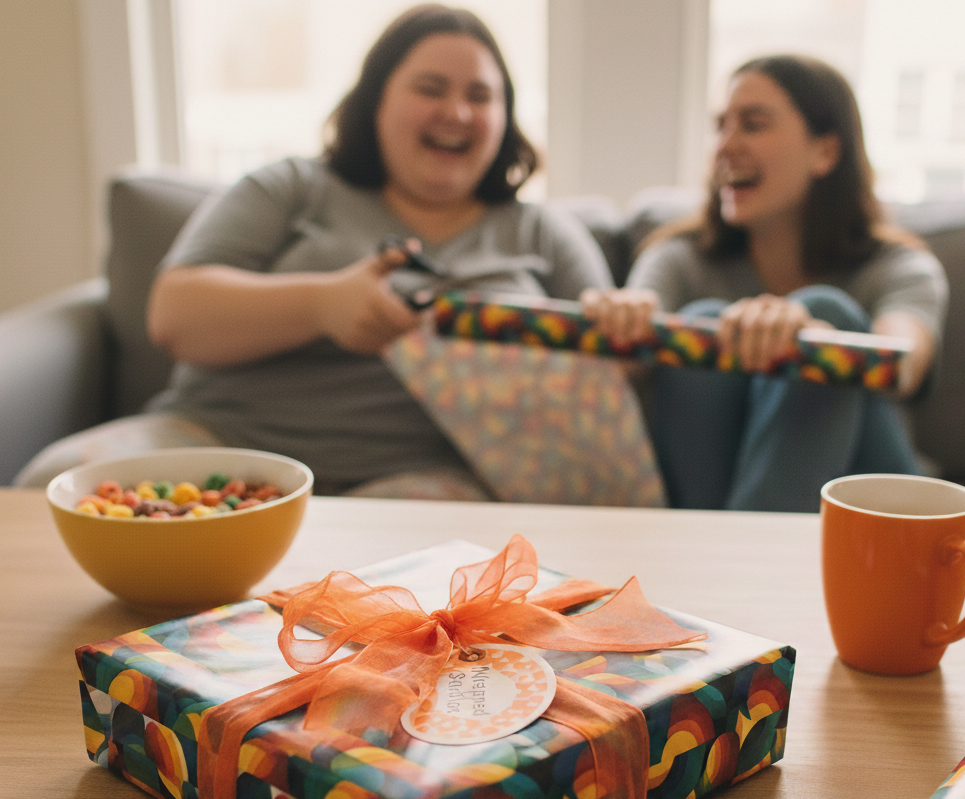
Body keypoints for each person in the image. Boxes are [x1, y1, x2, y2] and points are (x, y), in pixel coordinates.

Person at [16, 4, 613, 497]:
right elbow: (174, 315)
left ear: (505, 119)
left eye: (481, 96)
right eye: (430, 88)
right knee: (55, 485)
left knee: (410, 561)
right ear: (376, 102)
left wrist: (625, 332)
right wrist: (323, 305)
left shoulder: (544, 234)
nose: (456, 111)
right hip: (217, 440)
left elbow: (614, 389)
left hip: (413, 477)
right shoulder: (289, 188)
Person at [583, 55, 948, 513]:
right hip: (717, 502)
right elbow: (623, 367)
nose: (725, 146)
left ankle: (728, 566)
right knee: (700, 322)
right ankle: (739, 562)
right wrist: (615, 327)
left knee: (827, 314)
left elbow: (903, 362)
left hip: (880, 515)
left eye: (753, 125)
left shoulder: (898, 264)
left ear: (826, 152)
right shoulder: (676, 259)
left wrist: (814, 344)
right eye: (720, 127)